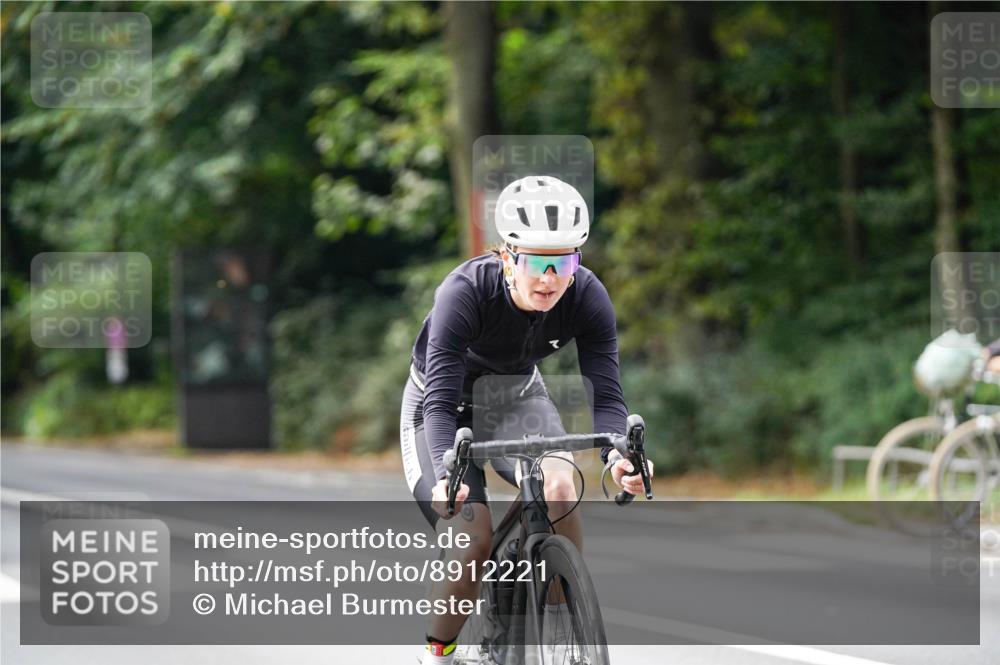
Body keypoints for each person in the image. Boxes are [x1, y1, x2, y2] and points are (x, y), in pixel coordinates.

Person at [399, 175, 653, 664]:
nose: (551, 278)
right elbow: (438, 402)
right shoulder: (463, 293)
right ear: (507, 256)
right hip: (439, 407)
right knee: (473, 539)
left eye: (566, 261)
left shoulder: (587, 295)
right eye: (538, 261)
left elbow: (607, 393)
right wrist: (447, 473)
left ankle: (566, 633)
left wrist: (618, 454)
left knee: (561, 487)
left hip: (515, 397)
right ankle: (438, 653)